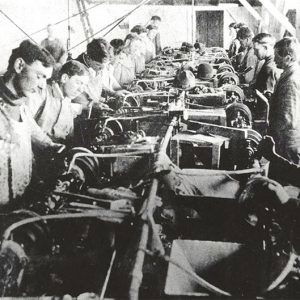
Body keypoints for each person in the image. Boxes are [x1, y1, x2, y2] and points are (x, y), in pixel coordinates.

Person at [0, 40, 60, 204]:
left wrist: (55, 147)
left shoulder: (22, 107)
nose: (42, 85)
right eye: (39, 76)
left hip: (19, 205)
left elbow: (36, 134)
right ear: (19, 65)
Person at [34, 60, 89, 143]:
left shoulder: (67, 101)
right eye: (78, 83)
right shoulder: (43, 94)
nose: (81, 90)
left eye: (84, 86)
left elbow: (69, 136)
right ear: (64, 78)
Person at [268, 37, 300, 166]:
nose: (274, 59)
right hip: (287, 138)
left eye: (277, 56)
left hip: (288, 141)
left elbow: (289, 118)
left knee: (288, 178)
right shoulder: (289, 73)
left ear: (288, 57)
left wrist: (277, 139)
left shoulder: (291, 80)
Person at [74, 38, 129, 111]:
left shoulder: (95, 65)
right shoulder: (76, 68)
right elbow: (76, 95)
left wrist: (113, 93)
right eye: (98, 66)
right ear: (88, 58)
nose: (100, 70)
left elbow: (99, 84)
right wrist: (91, 104)